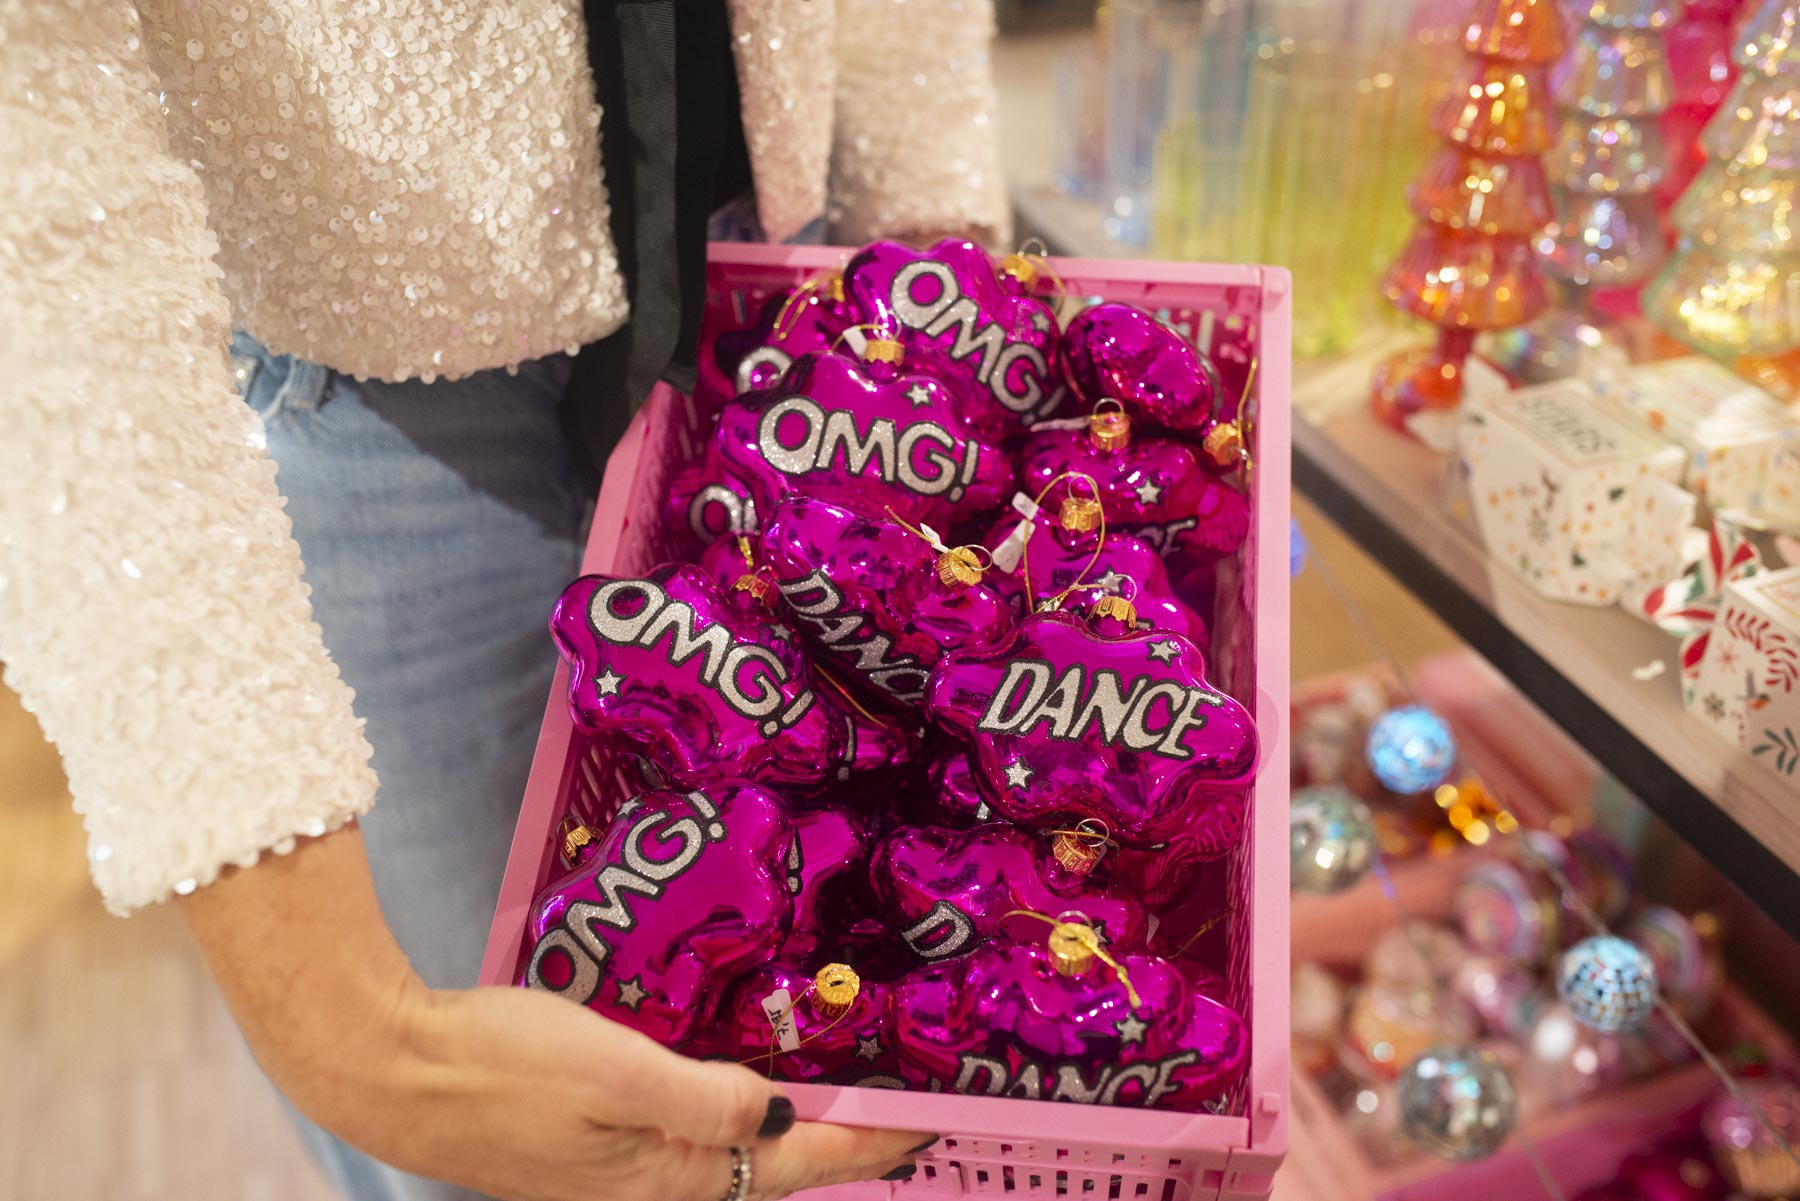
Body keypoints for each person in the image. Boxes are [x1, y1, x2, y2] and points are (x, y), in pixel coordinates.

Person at [0, 1, 1008, 1199]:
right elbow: (37, 211)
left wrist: (937, 271)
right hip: (371, 373)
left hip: (774, 272)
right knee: (501, 1132)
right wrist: (356, 1041)